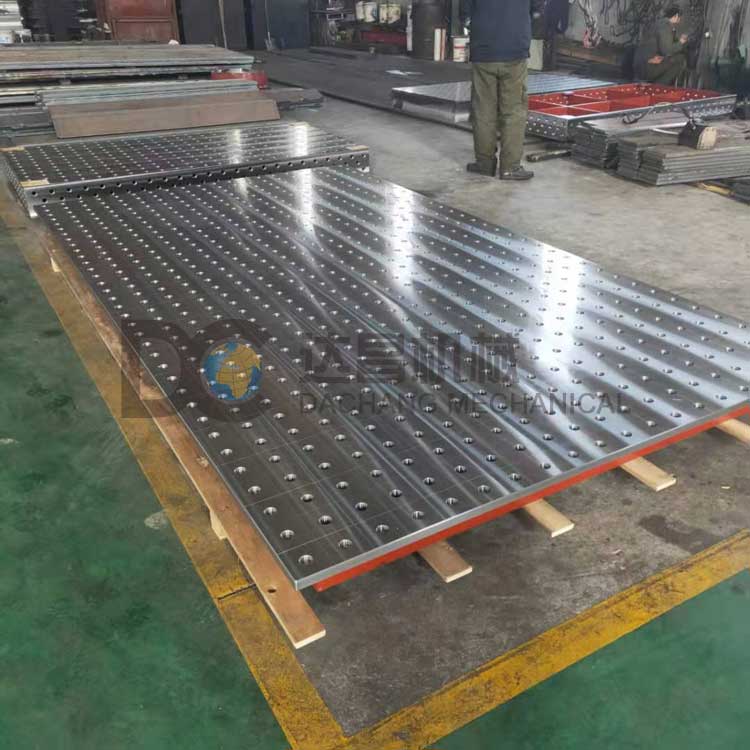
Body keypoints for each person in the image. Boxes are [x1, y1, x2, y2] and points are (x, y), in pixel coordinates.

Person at [461, 0, 543, 181]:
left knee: (483, 110)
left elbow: (465, 12)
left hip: (483, 50)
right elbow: (537, 10)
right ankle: (510, 167)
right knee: (513, 111)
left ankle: (484, 164)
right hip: (514, 49)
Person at [635, 5, 689, 85]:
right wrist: (681, 42)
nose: (680, 19)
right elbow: (666, 50)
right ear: (676, 15)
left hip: (641, 64)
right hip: (646, 67)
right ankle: (658, 86)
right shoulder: (665, 26)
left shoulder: (658, 23)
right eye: (680, 16)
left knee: (670, 58)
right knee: (680, 59)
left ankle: (654, 84)